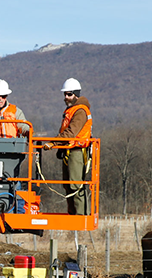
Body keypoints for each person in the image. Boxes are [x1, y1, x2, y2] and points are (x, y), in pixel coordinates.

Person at [43, 78, 93, 215]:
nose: (66, 97)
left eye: (69, 94)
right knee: (68, 185)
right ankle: (72, 213)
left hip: (77, 151)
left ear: (76, 94)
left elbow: (71, 132)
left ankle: (80, 215)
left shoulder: (80, 111)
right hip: (68, 151)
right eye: (65, 94)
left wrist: (53, 143)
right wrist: (60, 148)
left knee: (75, 185)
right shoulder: (71, 109)